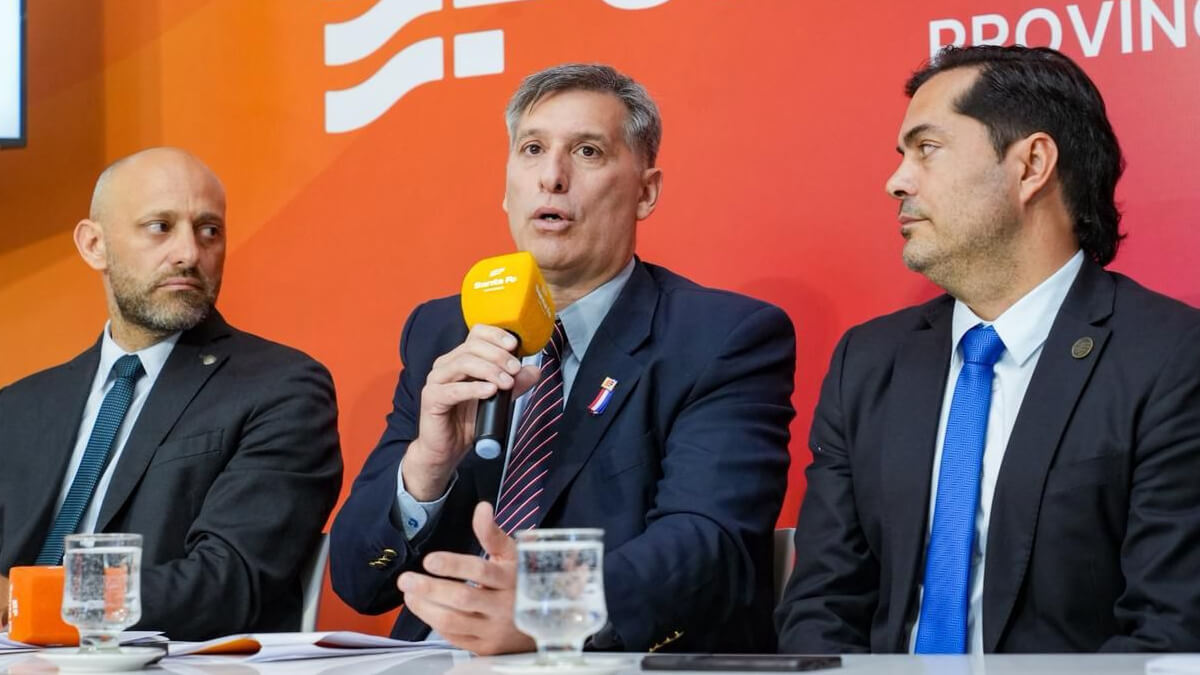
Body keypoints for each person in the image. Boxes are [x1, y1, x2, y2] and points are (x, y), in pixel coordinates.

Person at [330, 63, 795, 655]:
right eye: (531, 149)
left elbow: (710, 543)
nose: (552, 177)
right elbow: (358, 580)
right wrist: (427, 464)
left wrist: (546, 610)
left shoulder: (720, 337)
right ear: (505, 187)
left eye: (588, 152)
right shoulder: (443, 330)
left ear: (646, 192)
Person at [775, 45, 1200, 653]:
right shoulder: (869, 363)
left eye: (927, 148)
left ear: (1031, 165)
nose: (896, 180)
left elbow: (1168, 633)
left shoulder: (1171, 359)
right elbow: (822, 605)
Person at [0, 147, 343, 640]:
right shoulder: (19, 406)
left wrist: (41, 600)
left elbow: (228, 582)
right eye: (160, 227)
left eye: (209, 230)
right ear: (94, 245)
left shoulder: (280, 388)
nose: (189, 253)